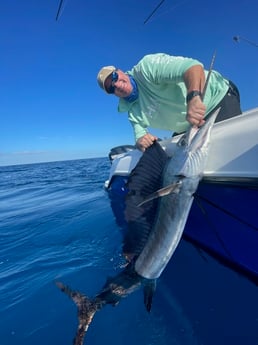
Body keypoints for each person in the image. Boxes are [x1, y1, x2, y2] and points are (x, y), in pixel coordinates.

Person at [97, 53, 241, 151]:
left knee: (230, 149)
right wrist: (141, 141)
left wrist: (194, 97)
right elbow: (140, 136)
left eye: (114, 77)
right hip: (188, 129)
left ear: (120, 71)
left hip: (217, 100)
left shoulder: (146, 68)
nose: (116, 84)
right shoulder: (133, 113)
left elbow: (193, 67)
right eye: (111, 88)